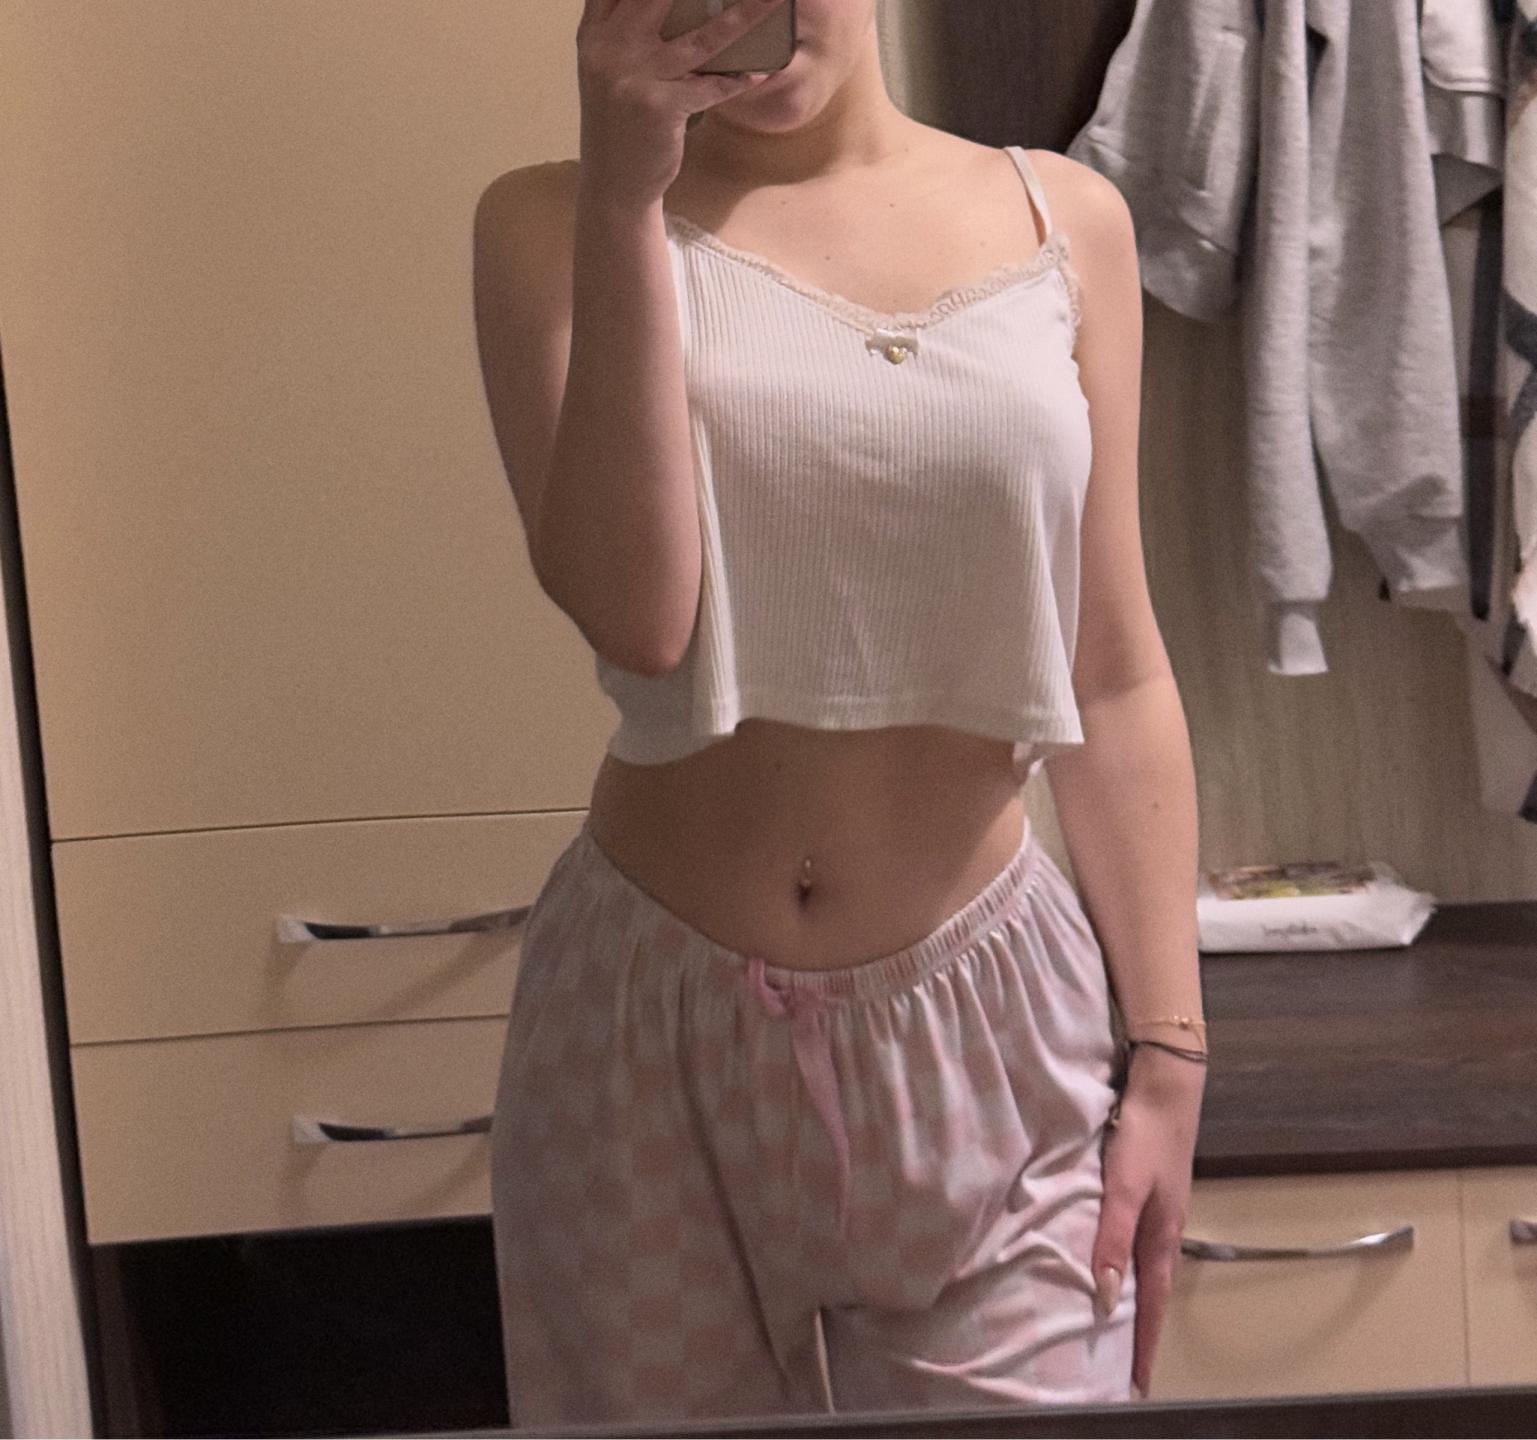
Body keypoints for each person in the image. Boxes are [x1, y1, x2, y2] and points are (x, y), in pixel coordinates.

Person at [471, 0, 1207, 1426]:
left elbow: (1112, 669)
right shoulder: (546, 222)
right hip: (643, 1035)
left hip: (986, 1030)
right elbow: (639, 617)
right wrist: (625, 200)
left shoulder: (1063, 221)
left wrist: (1171, 1054)